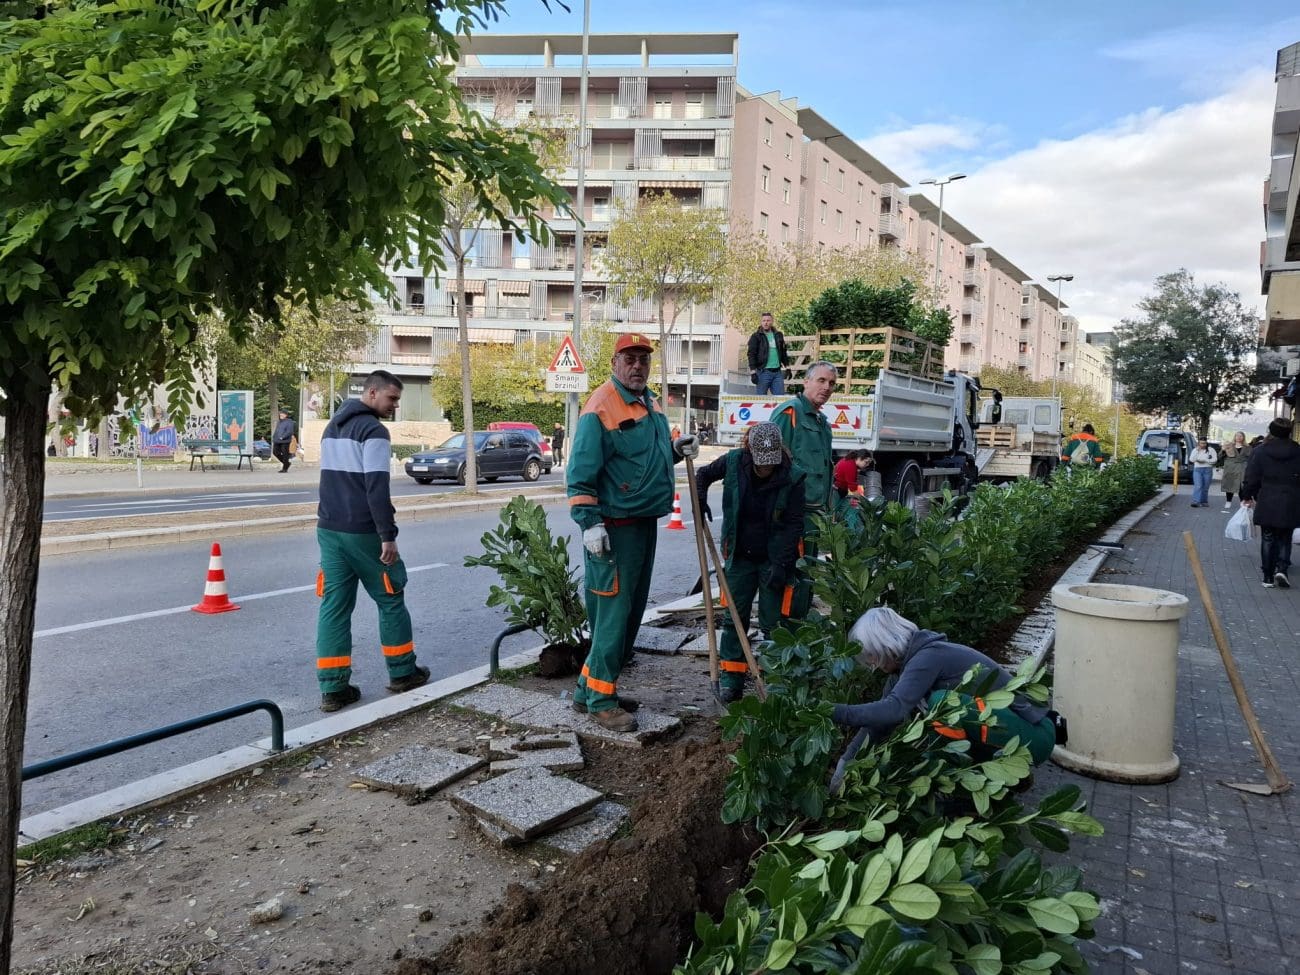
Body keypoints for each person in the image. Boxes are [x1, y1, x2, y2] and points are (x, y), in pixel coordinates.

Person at [567, 333, 697, 732]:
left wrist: (677, 450)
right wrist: (590, 525)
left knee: (629, 615)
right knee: (613, 617)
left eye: (643, 358)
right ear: (615, 362)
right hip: (613, 531)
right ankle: (602, 703)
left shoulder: (650, 402)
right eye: (630, 358)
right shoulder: (601, 406)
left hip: (642, 524)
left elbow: (647, 456)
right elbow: (580, 477)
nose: (638, 365)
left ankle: (587, 689)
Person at [314, 370, 429, 712]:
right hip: (363, 532)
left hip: (329, 529)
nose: (394, 406)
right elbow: (376, 486)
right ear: (373, 393)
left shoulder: (331, 426)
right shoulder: (373, 431)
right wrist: (387, 536)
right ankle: (402, 673)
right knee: (391, 597)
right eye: (392, 398)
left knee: (334, 606)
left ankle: (333, 689)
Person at [828, 607, 1057, 764]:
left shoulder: (927, 657)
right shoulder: (903, 671)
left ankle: (985, 779)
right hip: (1008, 732)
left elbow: (893, 709)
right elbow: (880, 723)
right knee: (935, 719)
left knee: (942, 704)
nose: (873, 664)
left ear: (886, 645)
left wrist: (831, 711)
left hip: (1034, 736)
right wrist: (846, 762)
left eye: (873, 656)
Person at [694, 421, 806, 702]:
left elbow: (794, 524)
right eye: (761, 464)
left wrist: (781, 565)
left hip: (773, 557)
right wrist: (700, 495)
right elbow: (703, 474)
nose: (766, 469)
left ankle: (775, 680)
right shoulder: (733, 462)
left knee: (774, 623)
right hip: (740, 556)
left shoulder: (793, 477)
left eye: (771, 464)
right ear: (750, 452)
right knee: (734, 617)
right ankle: (732, 679)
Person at [773, 361, 836, 550]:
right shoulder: (790, 412)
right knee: (793, 573)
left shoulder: (822, 423)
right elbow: (774, 462)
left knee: (808, 571)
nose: (826, 387)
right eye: (821, 380)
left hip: (814, 512)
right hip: (793, 513)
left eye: (831, 383)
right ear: (806, 381)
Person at [1240, 417, 1300, 589]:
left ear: (1271, 431)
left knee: (1267, 537)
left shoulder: (1260, 451)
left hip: (1267, 497)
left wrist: (1247, 496)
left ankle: (1267, 576)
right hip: (1291, 499)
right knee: (1284, 537)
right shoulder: (1297, 451)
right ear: (1289, 432)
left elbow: (1251, 477)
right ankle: (1282, 569)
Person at [747, 311, 790, 396]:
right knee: (761, 400)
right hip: (763, 372)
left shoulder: (778, 335)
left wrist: (788, 367)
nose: (766, 323)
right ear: (761, 322)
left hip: (777, 372)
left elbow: (783, 352)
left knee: (780, 399)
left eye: (768, 320)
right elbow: (751, 354)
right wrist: (753, 372)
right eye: (764, 321)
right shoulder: (756, 336)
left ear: (772, 321)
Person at [1220, 431, 1250, 510]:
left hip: (1242, 468)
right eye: (1237, 436)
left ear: (1243, 437)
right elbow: (1220, 456)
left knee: (1241, 486)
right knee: (1230, 484)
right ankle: (1228, 501)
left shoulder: (1247, 447)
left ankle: (1242, 502)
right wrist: (1223, 450)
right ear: (1234, 437)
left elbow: (1251, 458)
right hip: (1230, 468)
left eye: (1241, 436)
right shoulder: (1229, 446)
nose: (1239, 437)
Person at [1187, 437, 1218, 508]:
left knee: (1205, 487)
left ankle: (1204, 501)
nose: (1203, 445)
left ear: (1206, 443)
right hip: (1198, 469)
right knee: (1198, 486)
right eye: (1201, 443)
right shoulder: (1195, 450)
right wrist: (1197, 451)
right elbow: (1191, 459)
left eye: (1204, 443)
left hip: (1208, 469)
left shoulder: (1211, 450)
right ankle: (1196, 501)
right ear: (1198, 443)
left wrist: (1205, 460)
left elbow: (1215, 460)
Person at [272, 408, 296, 473]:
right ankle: (287, 463)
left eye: (283, 414)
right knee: (275, 452)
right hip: (277, 440)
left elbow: (289, 431)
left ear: (286, 415)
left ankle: (284, 469)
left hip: (285, 441)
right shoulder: (279, 422)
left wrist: (283, 437)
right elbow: (277, 430)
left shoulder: (289, 422)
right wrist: (274, 437)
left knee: (285, 454)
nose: (281, 414)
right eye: (280, 413)